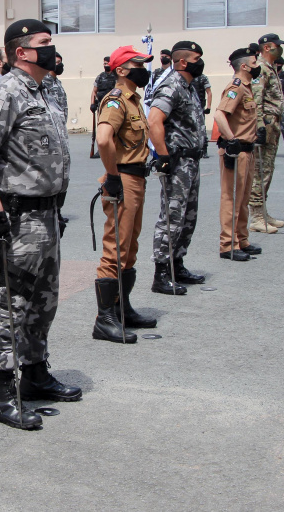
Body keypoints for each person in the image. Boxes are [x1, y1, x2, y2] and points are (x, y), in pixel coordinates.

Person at [0, 18, 80, 431]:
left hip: (48, 212)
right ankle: (2, 392)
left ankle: (35, 373)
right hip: (17, 214)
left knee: (43, 299)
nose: (53, 49)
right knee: (10, 304)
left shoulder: (48, 89)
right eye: (45, 43)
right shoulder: (4, 91)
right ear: (21, 52)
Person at [93, 46, 161, 344]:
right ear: (121, 70)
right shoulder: (117, 100)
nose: (143, 69)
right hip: (123, 178)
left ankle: (122, 308)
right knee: (116, 249)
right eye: (137, 64)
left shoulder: (135, 101)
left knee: (129, 246)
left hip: (137, 177)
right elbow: (103, 139)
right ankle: (104, 319)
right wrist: (112, 176)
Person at [148, 41, 209, 296]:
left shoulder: (189, 86)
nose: (200, 62)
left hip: (192, 161)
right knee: (172, 217)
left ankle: (177, 264)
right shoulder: (172, 84)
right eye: (196, 58)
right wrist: (163, 157)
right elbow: (154, 120)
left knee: (188, 217)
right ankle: (161, 273)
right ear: (183, 61)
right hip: (178, 162)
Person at [213, 45, 264, 262]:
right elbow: (219, 115)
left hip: (247, 150)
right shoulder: (236, 87)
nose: (256, 67)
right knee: (231, 198)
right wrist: (231, 139)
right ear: (243, 66)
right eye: (253, 63)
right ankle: (228, 245)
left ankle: (242, 239)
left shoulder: (247, 87)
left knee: (242, 198)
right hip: (236, 152)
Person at [249, 33, 284, 234]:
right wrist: (260, 124)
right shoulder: (262, 67)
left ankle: (262, 210)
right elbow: (257, 97)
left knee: (268, 168)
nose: (279, 49)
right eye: (276, 46)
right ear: (267, 47)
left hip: (273, 123)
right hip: (266, 123)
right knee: (261, 169)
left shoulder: (270, 67)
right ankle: (256, 216)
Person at [41, 51, 68, 127]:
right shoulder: (43, 82)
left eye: (61, 62)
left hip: (61, 123)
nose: (60, 65)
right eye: (57, 62)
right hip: (50, 125)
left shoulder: (57, 82)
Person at [191, 73, 212, 159]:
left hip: (199, 107)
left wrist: (208, 107)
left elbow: (209, 92)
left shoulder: (202, 78)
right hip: (188, 107)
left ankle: (204, 149)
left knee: (201, 128)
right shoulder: (186, 77)